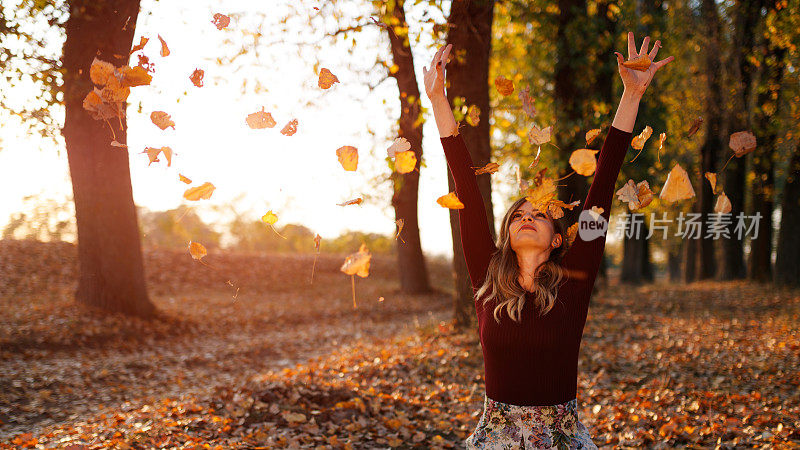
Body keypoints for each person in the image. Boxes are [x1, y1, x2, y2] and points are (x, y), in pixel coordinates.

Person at [422, 32, 674, 449]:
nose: (525, 218)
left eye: (537, 215)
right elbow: (466, 188)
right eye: (517, 215)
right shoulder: (487, 280)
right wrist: (438, 103)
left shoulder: (575, 279)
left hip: (560, 440)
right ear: (504, 235)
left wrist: (630, 97)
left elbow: (601, 193)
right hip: (494, 439)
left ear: (558, 239)